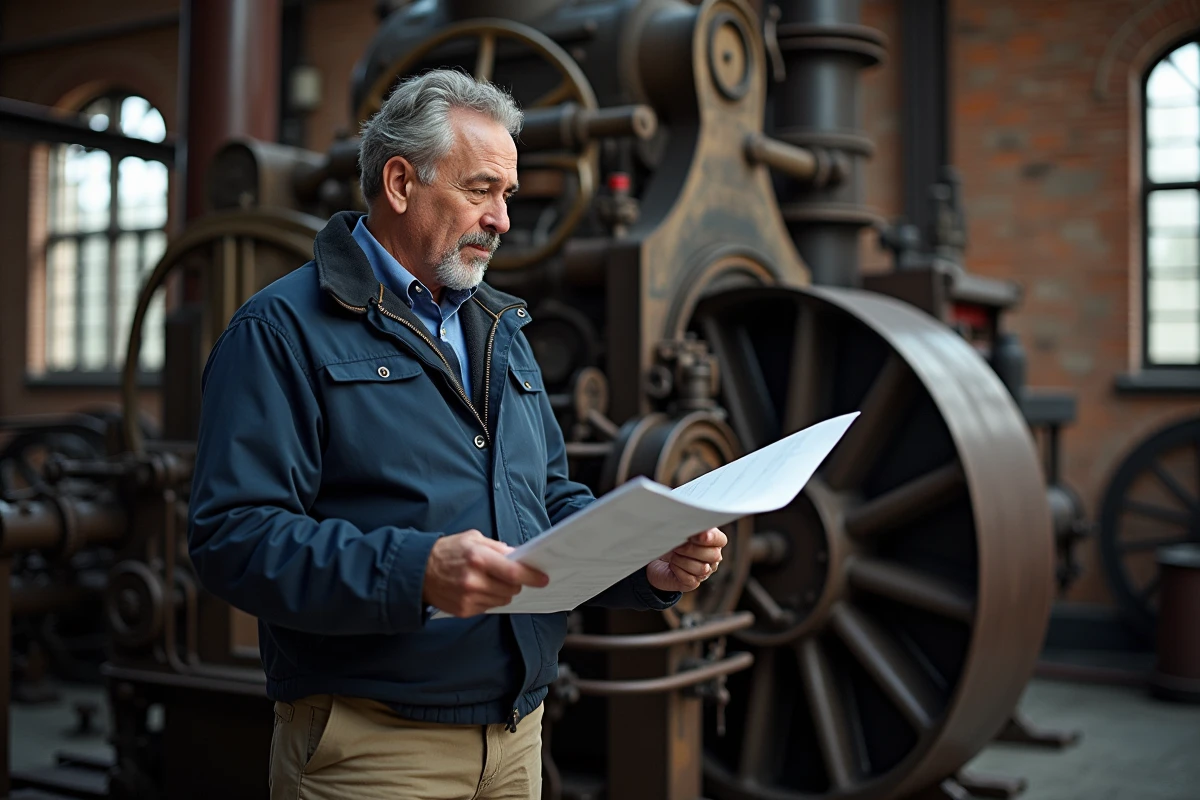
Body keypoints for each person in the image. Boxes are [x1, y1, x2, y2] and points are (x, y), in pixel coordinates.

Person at [187, 68, 727, 800]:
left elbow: (545, 500)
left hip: (514, 737)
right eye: (481, 190)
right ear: (401, 183)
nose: (502, 219)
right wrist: (417, 573)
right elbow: (234, 538)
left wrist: (646, 559)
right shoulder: (280, 331)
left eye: (506, 195)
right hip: (373, 748)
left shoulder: (501, 326)